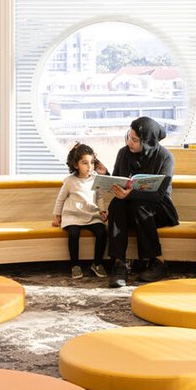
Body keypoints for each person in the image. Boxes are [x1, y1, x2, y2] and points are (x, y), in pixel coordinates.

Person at [104, 116, 177, 288]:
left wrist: (130, 195)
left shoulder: (165, 157)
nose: (129, 142)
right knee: (117, 204)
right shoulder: (123, 153)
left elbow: (160, 194)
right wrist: (108, 178)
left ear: (148, 142)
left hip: (159, 208)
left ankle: (157, 261)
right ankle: (119, 263)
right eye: (129, 136)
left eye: (135, 140)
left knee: (138, 205)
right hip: (130, 206)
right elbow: (117, 180)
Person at [52, 142, 109, 279]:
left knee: (101, 232)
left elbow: (100, 197)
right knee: (73, 233)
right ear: (76, 165)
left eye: (92, 162)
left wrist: (102, 211)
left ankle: (97, 263)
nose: (89, 166)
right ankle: (75, 265)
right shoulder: (70, 181)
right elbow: (60, 199)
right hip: (73, 215)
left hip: (91, 214)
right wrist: (57, 216)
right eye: (85, 163)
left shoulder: (96, 179)